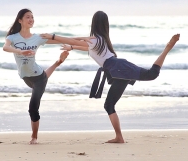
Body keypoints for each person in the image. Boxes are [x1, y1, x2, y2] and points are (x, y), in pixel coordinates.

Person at [40, 11, 180, 143]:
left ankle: (119, 137)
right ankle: (119, 137)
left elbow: (75, 41)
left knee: (110, 104)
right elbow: (80, 44)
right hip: (119, 68)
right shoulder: (100, 40)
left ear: (93, 23)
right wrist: (70, 47)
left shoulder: (95, 40)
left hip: (118, 69)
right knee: (150, 76)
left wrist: (53, 37)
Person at [2, 8, 69, 144]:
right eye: (28, 17)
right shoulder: (12, 38)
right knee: (43, 77)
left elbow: (59, 41)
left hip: (38, 77)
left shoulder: (37, 38)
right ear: (20, 20)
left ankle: (34, 137)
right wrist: (20, 51)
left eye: (32, 17)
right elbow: (5, 48)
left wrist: (76, 43)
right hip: (27, 77)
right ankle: (58, 63)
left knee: (33, 107)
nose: (31, 19)